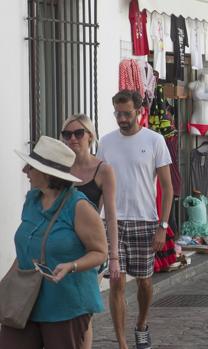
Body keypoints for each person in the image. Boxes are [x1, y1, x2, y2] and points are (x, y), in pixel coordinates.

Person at [0, 136, 107, 348]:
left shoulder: (79, 207)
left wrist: (72, 265)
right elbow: (27, 247)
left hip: (65, 305)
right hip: (24, 300)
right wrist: (7, 285)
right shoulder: (32, 200)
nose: (24, 171)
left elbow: (100, 251)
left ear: (47, 174)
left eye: (30, 167)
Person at [97, 90, 173, 349]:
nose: (121, 119)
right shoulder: (105, 142)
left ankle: (141, 323)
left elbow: (168, 187)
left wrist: (162, 226)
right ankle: (122, 343)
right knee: (116, 282)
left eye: (127, 113)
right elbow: (98, 186)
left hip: (144, 220)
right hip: (113, 221)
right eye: (118, 113)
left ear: (139, 111)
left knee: (145, 282)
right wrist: (96, 220)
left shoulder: (155, 141)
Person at [60, 114, 121, 349]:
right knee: (63, 308)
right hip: (61, 246)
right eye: (67, 134)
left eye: (78, 133)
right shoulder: (59, 168)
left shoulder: (103, 170)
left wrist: (113, 257)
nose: (72, 139)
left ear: (90, 136)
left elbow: (112, 216)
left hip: (90, 249)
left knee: (84, 310)